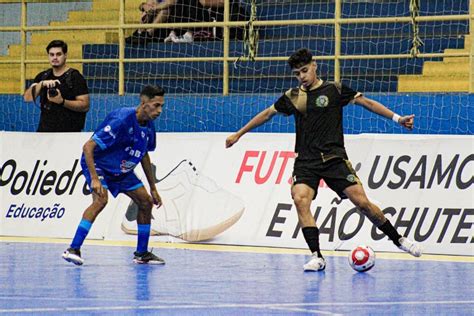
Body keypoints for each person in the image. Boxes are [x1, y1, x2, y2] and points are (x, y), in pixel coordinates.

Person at [225, 48, 422, 272]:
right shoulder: (293, 97)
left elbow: (367, 103)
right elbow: (267, 114)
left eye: (305, 71)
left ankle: (398, 239)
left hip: (334, 158)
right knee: (300, 199)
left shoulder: (335, 89)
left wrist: (398, 118)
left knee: (363, 204)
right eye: (297, 73)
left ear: (315, 65)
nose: (302, 77)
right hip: (306, 161)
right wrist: (238, 134)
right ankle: (316, 256)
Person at [62, 85, 165, 266]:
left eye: (161, 106)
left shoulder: (149, 126)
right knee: (101, 200)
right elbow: (88, 147)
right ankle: (73, 249)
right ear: (143, 103)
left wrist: (153, 188)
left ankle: (141, 253)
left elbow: (144, 154)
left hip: (122, 170)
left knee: (146, 201)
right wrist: (94, 178)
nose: (160, 110)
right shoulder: (122, 120)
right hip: (99, 164)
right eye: (156, 105)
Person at [23, 40, 90, 132]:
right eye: (51, 54)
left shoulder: (75, 77)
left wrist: (62, 101)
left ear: (65, 55)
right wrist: (41, 84)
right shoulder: (43, 76)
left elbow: (85, 106)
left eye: (58, 54)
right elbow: (27, 98)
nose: (55, 57)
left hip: (69, 133)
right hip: (45, 132)